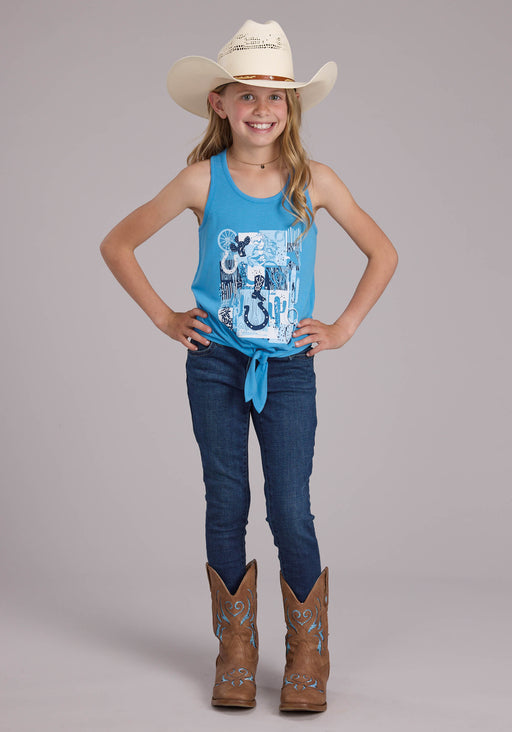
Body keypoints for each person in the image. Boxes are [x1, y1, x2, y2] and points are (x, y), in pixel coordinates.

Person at [100, 19, 398, 713]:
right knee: (226, 500)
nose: (262, 109)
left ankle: (308, 653)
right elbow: (118, 244)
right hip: (215, 364)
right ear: (220, 103)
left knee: (290, 505)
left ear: (291, 106)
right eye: (247, 95)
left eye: (275, 96)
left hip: (288, 368)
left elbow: (383, 252)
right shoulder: (200, 181)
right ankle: (234, 650)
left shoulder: (314, 181)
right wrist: (166, 318)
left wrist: (344, 326)